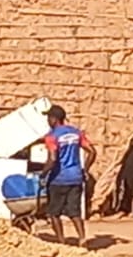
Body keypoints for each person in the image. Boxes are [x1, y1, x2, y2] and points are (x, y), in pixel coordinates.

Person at [40, 104, 96, 247]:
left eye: (48, 118)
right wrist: (85, 169)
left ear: (54, 119)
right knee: (74, 212)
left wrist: (43, 173)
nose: (47, 121)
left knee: (54, 213)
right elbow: (92, 151)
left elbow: (52, 159)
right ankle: (82, 238)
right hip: (76, 178)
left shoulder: (52, 137)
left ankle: (61, 241)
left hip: (58, 179)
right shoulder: (76, 133)